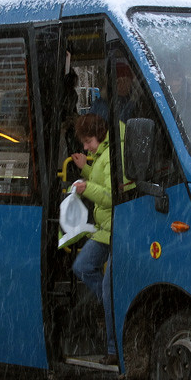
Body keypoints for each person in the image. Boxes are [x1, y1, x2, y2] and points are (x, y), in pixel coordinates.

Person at [70, 113, 117, 366]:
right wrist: (85, 168)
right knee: (82, 267)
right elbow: (102, 180)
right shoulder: (103, 153)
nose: (86, 147)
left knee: (108, 289)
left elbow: (111, 196)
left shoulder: (111, 153)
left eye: (88, 141)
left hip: (115, 229)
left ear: (99, 133)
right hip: (105, 228)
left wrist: (86, 188)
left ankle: (114, 348)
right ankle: (111, 306)